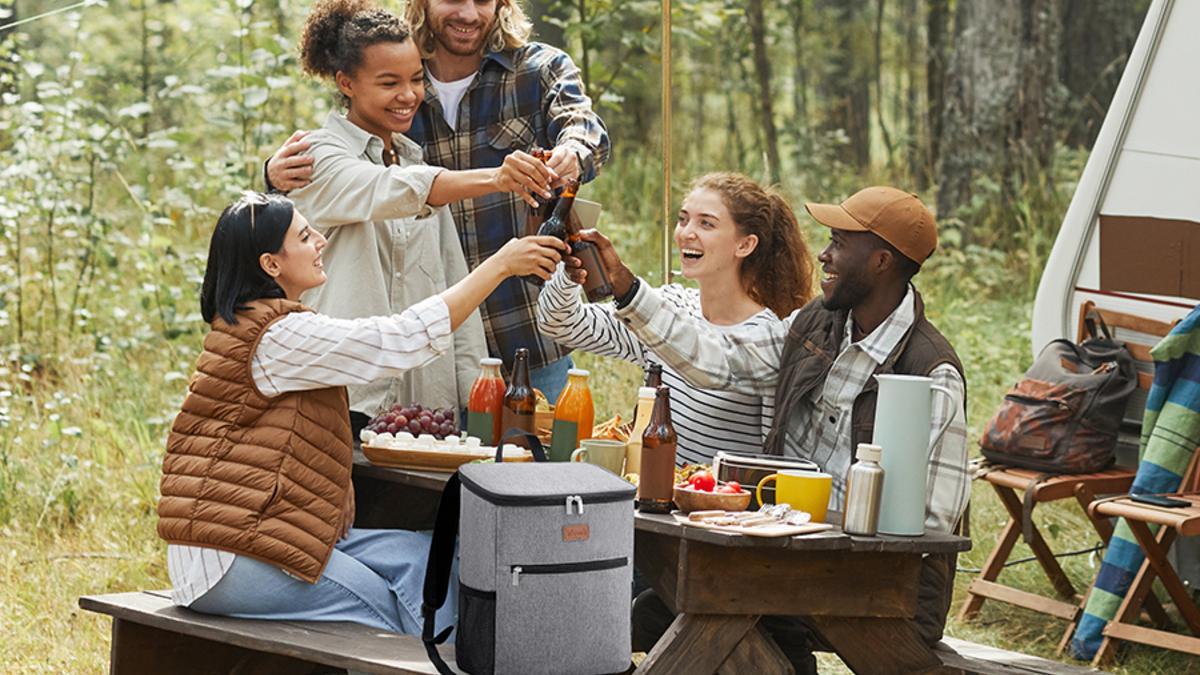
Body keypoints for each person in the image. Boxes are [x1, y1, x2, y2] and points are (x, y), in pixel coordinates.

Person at [576, 186, 968, 671]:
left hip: (874, 581)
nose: (824, 254)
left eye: (840, 243)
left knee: (698, 610)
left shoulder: (931, 371)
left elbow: (931, 524)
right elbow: (720, 363)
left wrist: (816, 524)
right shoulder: (817, 323)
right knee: (660, 609)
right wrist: (629, 291)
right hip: (784, 556)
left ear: (881, 262)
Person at [158, 191, 565, 634]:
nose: (320, 242)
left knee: (425, 558)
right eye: (304, 236)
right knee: (389, 619)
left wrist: (333, 480)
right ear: (271, 265)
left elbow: (269, 438)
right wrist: (501, 265)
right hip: (232, 559)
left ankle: (452, 650)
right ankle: (441, 657)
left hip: (248, 536)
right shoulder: (280, 336)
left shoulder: (256, 326)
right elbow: (402, 337)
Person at [267, 0, 610, 403]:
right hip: (404, 355)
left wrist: (573, 151)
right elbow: (371, 182)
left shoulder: (535, 69)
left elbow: (584, 126)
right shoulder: (390, 71)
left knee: (537, 459)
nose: (467, 13)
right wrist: (272, 177)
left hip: (524, 326)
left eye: (481, 1)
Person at [538, 172, 814, 464]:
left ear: (744, 245)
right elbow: (561, 323)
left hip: (719, 505)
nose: (686, 233)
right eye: (683, 219)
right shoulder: (671, 305)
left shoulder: (764, 337)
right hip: (654, 498)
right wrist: (571, 271)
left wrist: (628, 289)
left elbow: (709, 363)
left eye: (706, 223)